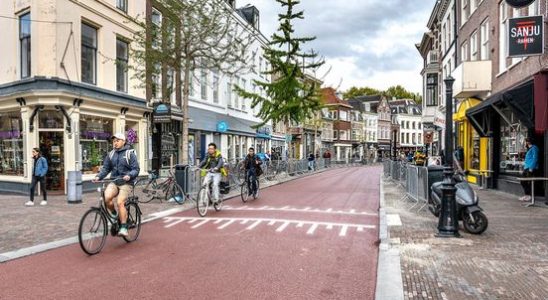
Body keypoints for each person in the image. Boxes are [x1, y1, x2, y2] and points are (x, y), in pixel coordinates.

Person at [93, 133, 140, 237]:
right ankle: (115, 215)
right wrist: (98, 176)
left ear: (123, 141)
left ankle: (124, 227)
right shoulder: (111, 154)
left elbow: (136, 169)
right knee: (106, 197)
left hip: (126, 182)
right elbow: (106, 168)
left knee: (120, 202)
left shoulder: (129, 153)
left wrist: (129, 175)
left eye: (118, 140)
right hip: (115, 181)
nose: (115, 143)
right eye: (114, 141)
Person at [520, 137, 539, 202]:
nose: (526, 143)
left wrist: (531, 167)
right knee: (523, 181)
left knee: (530, 182)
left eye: (526, 141)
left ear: (529, 142)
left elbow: (535, 158)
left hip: (530, 167)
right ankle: (526, 195)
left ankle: (530, 196)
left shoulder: (534, 148)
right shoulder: (529, 149)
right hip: (526, 167)